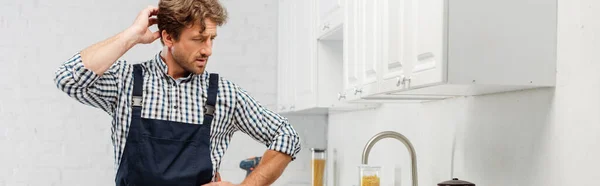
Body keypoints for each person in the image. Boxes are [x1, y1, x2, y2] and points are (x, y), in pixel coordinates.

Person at [53, 0, 301, 185]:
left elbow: (286, 136)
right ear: (169, 37)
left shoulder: (224, 94)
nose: (208, 50)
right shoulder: (126, 82)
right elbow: (68, 78)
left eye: (212, 39)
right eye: (199, 39)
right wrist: (131, 36)